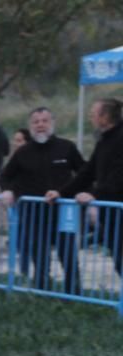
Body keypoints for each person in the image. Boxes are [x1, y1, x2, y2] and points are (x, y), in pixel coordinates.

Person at [0, 107, 86, 293]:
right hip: (34, 213)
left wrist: (85, 193)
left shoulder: (67, 147)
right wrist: (7, 191)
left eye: (44, 121)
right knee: (39, 254)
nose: (40, 125)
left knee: (68, 253)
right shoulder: (22, 152)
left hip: (64, 212)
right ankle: (41, 293)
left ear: (52, 123)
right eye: (36, 122)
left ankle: (75, 294)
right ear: (30, 126)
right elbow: (5, 177)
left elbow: (84, 174)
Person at [46, 98, 123, 277]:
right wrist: (61, 192)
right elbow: (87, 172)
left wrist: (94, 194)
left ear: (105, 117)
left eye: (93, 114)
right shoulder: (104, 140)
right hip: (111, 213)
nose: (90, 118)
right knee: (119, 260)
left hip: (119, 208)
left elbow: (119, 175)